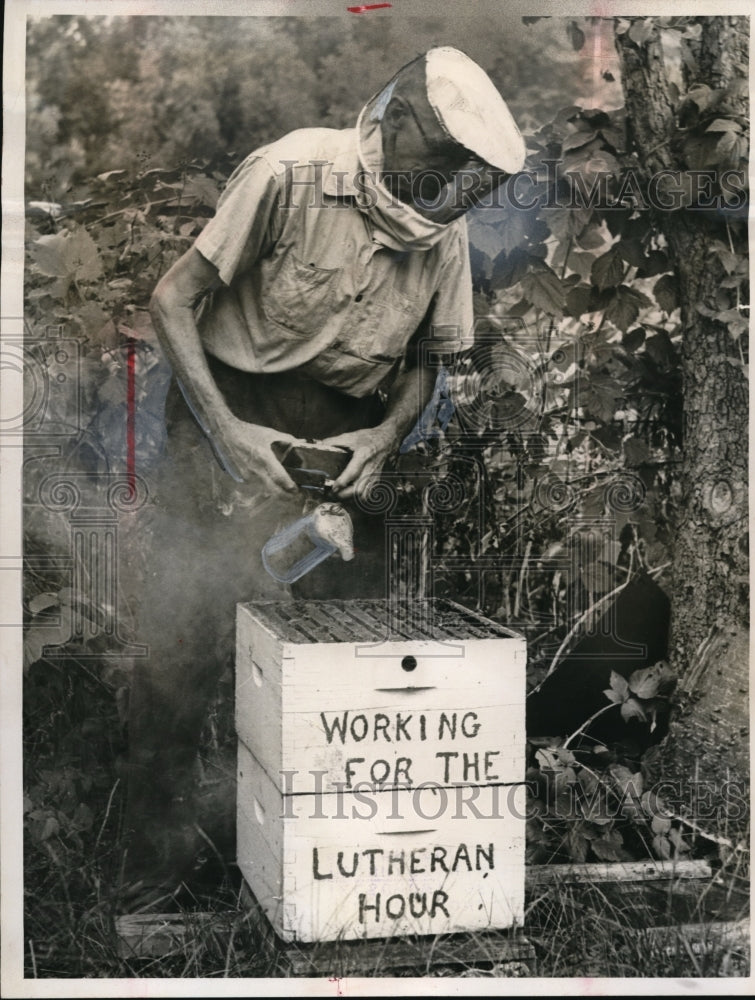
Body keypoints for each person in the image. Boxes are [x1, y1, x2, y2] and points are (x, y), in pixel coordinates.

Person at [120, 46, 526, 905]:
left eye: (463, 180)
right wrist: (224, 430)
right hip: (229, 399)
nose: (447, 194)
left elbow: (425, 363)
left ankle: (329, 862)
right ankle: (156, 862)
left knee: (351, 645)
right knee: (189, 626)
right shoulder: (289, 170)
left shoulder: (440, 233)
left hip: (347, 428)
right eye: (441, 171)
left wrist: (383, 435)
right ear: (400, 128)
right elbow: (170, 300)